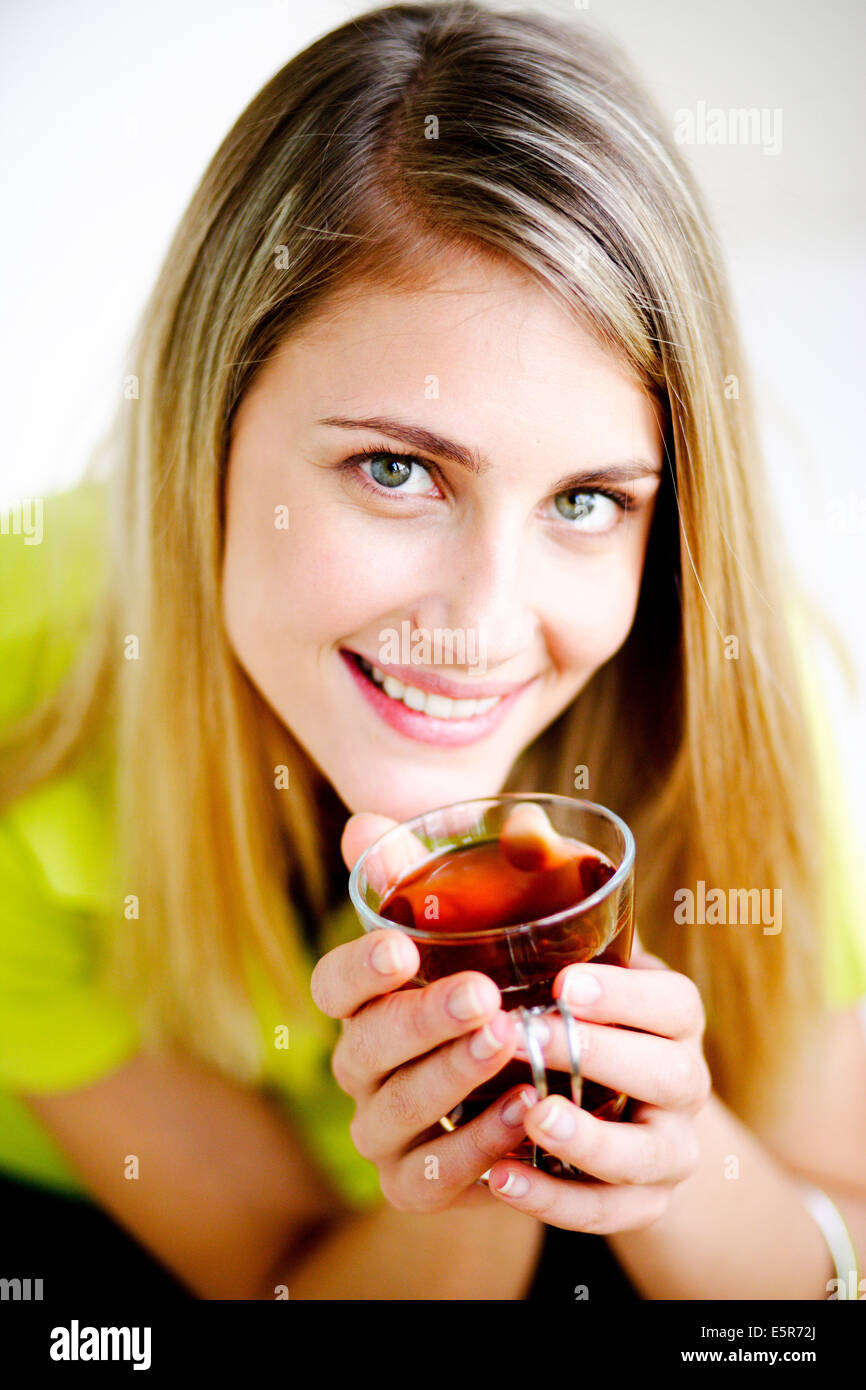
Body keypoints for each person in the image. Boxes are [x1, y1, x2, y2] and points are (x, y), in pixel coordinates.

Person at [1, 0, 864, 1302]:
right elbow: (274, 1278)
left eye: (585, 500)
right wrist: (471, 1168)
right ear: (206, 430)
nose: (481, 620)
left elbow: (832, 1230)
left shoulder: (732, 694)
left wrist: (668, 1164)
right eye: (396, 469)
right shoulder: (30, 704)